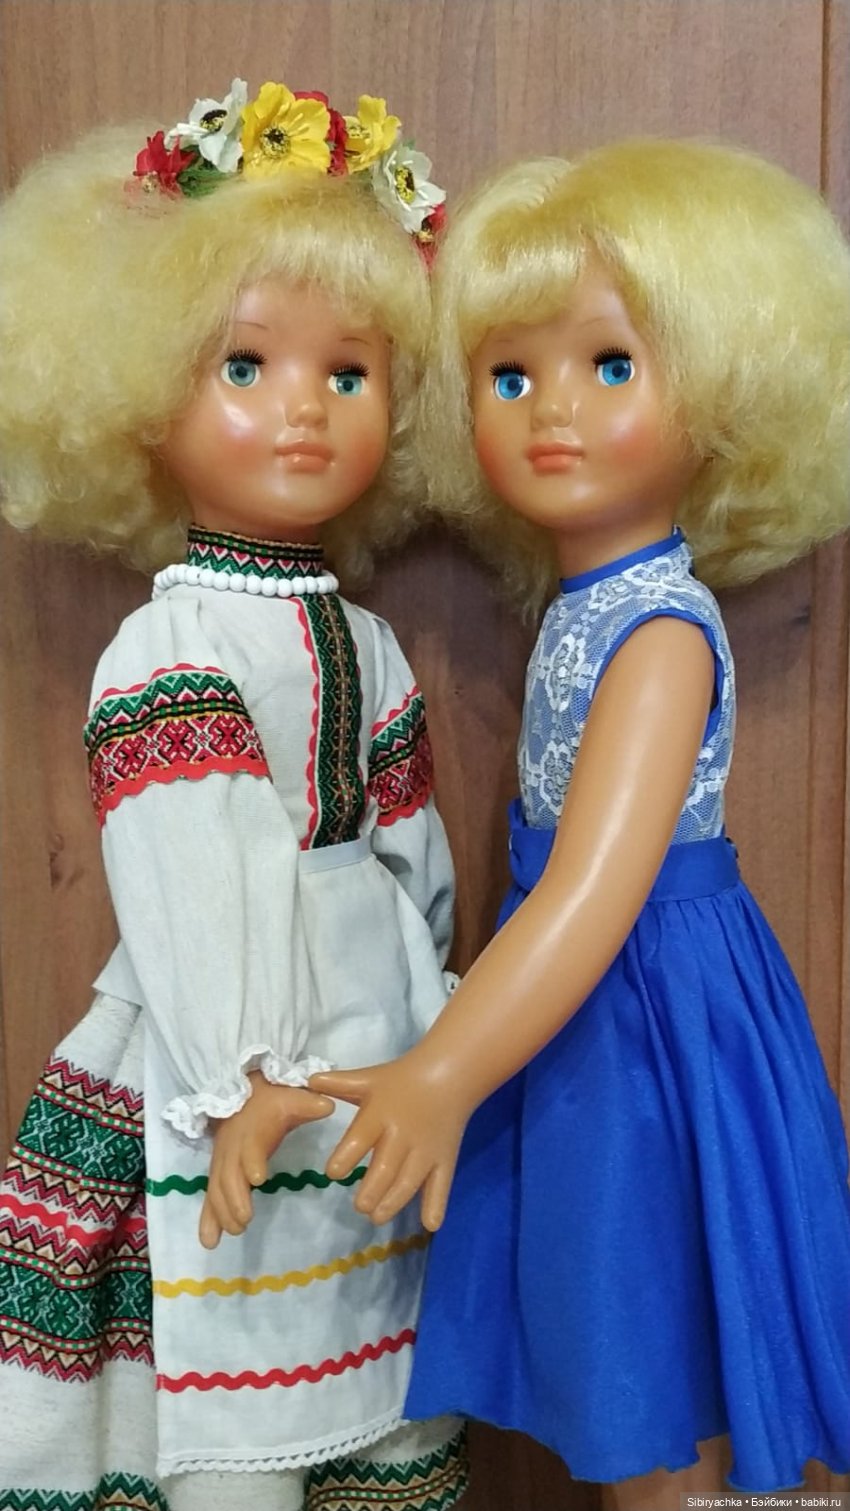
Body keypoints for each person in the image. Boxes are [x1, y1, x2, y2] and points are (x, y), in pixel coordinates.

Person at [311, 138, 850, 1503]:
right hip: (580, 1008)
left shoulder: (659, 631)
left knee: (654, 1357)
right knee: (623, 1346)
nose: (552, 409)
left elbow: (597, 890)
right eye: (510, 375)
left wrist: (444, 1071)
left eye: (611, 365)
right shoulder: (596, 608)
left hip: (645, 1013)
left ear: (725, 390)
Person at [0, 79, 466, 1511]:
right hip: (222, 1062)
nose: (303, 410)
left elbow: (412, 853)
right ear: (144, 399)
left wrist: (439, 1017)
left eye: (349, 374)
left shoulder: (368, 638)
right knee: (230, 1401)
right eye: (245, 365)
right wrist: (238, 1070)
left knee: (374, 1372)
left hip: (369, 1049)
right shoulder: (171, 644)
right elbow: (190, 857)